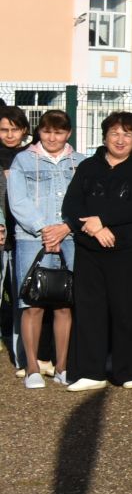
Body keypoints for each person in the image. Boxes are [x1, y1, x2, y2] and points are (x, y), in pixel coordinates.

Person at [62, 111, 132, 391]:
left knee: (127, 309)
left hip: (131, 251)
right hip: (90, 251)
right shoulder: (88, 167)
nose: (120, 140)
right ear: (105, 136)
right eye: (115, 134)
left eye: (127, 135)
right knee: (90, 310)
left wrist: (103, 219)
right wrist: (94, 228)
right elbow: (72, 204)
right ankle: (90, 371)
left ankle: (127, 370)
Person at [9, 110, 77, 387]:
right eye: (47, 131)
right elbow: (18, 200)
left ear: (68, 134)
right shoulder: (23, 160)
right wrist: (44, 229)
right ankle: (32, 367)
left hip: (69, 239)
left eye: (59, 132)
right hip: (31, 239)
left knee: (64, 302)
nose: (52, 137)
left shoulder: (78, 162)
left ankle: (62, 365)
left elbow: (82, 200)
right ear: (39, 132)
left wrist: (65, 227)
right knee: (32, 303)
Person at [0, 103, 27, 372]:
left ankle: (23, 352)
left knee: (21, 292)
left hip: (22, 235)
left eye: (14, 129)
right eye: (4, 129)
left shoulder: (29, 156)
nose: (9, 135)